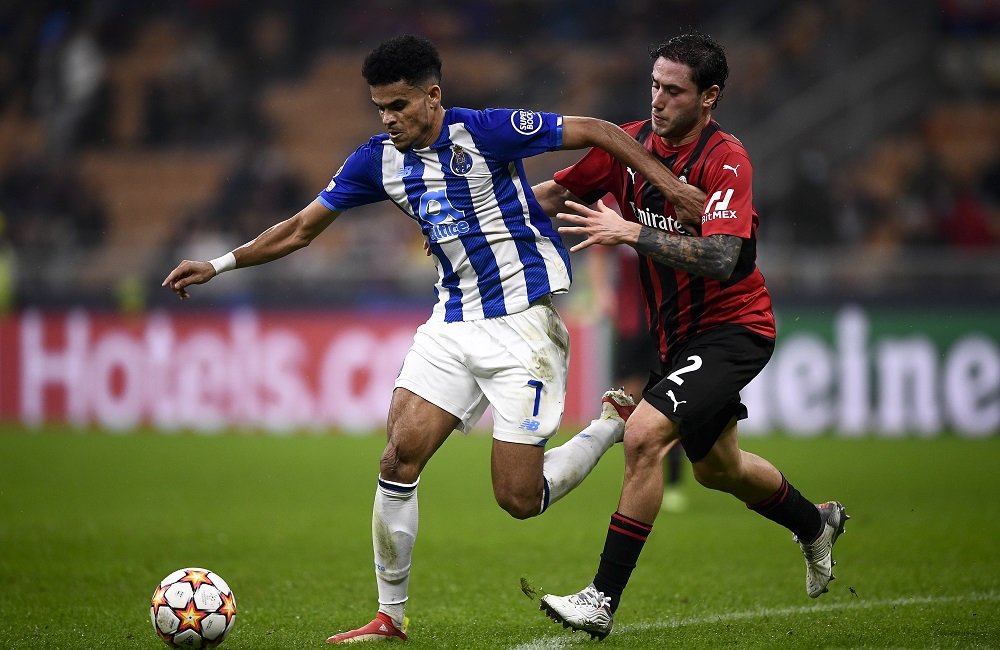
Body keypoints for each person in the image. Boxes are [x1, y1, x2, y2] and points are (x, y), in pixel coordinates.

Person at [162, 34, 704, 644]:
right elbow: (301, 230)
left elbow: (600, 130)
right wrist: (220, 264)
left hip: (523, 323)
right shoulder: (377, 160)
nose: (388, 119)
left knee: (518, 500)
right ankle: (389, 618)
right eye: (379, 109)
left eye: (398, 106)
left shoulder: (487, 131)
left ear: (432, 97)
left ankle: (607, 424)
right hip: (451, 320)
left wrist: (675, 187)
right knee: (398, 456)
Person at [530, 31, 849, 640]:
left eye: (673, 91)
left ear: (709, 98)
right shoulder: (629, 145)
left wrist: (632, 234)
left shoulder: (728, 159)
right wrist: (478, 215)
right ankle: (816, 523)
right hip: (678, 338)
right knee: (718, 470)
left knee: (644, 436)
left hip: (735, 328)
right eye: (654, 85)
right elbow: (552, 193)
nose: (657, 100)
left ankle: (601, 598)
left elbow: (725, 257)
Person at [586, 231, 688, 513]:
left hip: (666, 324)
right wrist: (601, 291)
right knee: (626, 406)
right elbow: (598, 250)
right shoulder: (615, 198)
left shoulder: (664, 203)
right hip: (629, 324)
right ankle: (637, 481)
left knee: (669, 403)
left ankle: (675, 481)